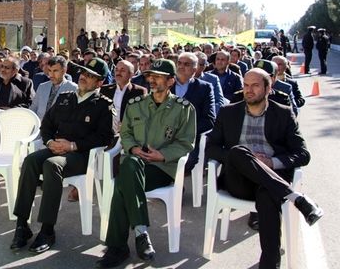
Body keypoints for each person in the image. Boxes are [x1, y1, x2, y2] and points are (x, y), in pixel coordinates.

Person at [206, 68, 323, 269]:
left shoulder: (283, 114)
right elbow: (211, 148)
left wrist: (271, 163)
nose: (248, 90)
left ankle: (270, 264)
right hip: (238, 180)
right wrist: (242, 158)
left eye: (255, 85)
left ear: (268, 88)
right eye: (246, 85)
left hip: (271, 178)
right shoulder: (228, 112)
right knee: (238, 151)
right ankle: (297, 198)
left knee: (268, 196)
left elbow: (302, 154)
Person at [96, 59, 195, 267]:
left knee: (122, 185)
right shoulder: (136, 105)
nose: (152, 80)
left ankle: (117, 248)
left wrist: (163, 155)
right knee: (130, 165)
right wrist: (132, 148)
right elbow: (126, 133)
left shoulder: (184, 109)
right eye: (150, 75)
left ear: (170, 81)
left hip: (161, 167)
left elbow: (186, 143)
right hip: (135, 161)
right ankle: (141, 233)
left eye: (158, 76)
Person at [10, 58, 115, 253]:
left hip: (81, 156)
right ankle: (22, 225)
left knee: (52, 165)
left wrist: (73, 145)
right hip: (56, 147)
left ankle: (47, 230)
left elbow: (105, 137)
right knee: (30, 160)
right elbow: (47, 125)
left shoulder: (103, 105)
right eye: (83, 73)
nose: (83, 77)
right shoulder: (65, 97)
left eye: (90, 76)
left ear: (100, 82)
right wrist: (50, 142)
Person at [172, 52, 215, 173]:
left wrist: (186, 130)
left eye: (186, 64)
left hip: (189, 139)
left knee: (185, 161)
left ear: (194, 69)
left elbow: (209, 120)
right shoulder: (166, 85)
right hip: (163, 137)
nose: (181, 66)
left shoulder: (204, 88)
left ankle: (175, 185)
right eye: (179, 63)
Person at [29, 55, 77, 121]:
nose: (51, 75)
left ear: (64, 70)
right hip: (40, 127)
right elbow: (33, 108)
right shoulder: (42, 87)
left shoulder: (73, 88)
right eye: (49, 70)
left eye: (55, 71)